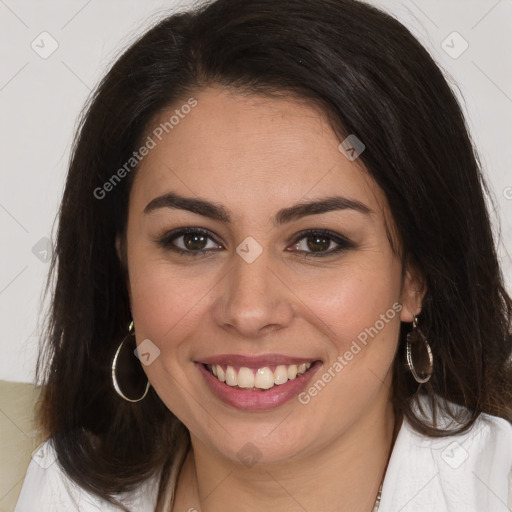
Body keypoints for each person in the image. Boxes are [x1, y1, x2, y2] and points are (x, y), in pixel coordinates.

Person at [14, 0, 512, 511]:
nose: (249, 311)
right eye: (193, 239)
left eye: (318, 241)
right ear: (124, 269)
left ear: (414, 277)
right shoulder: (67, 493)